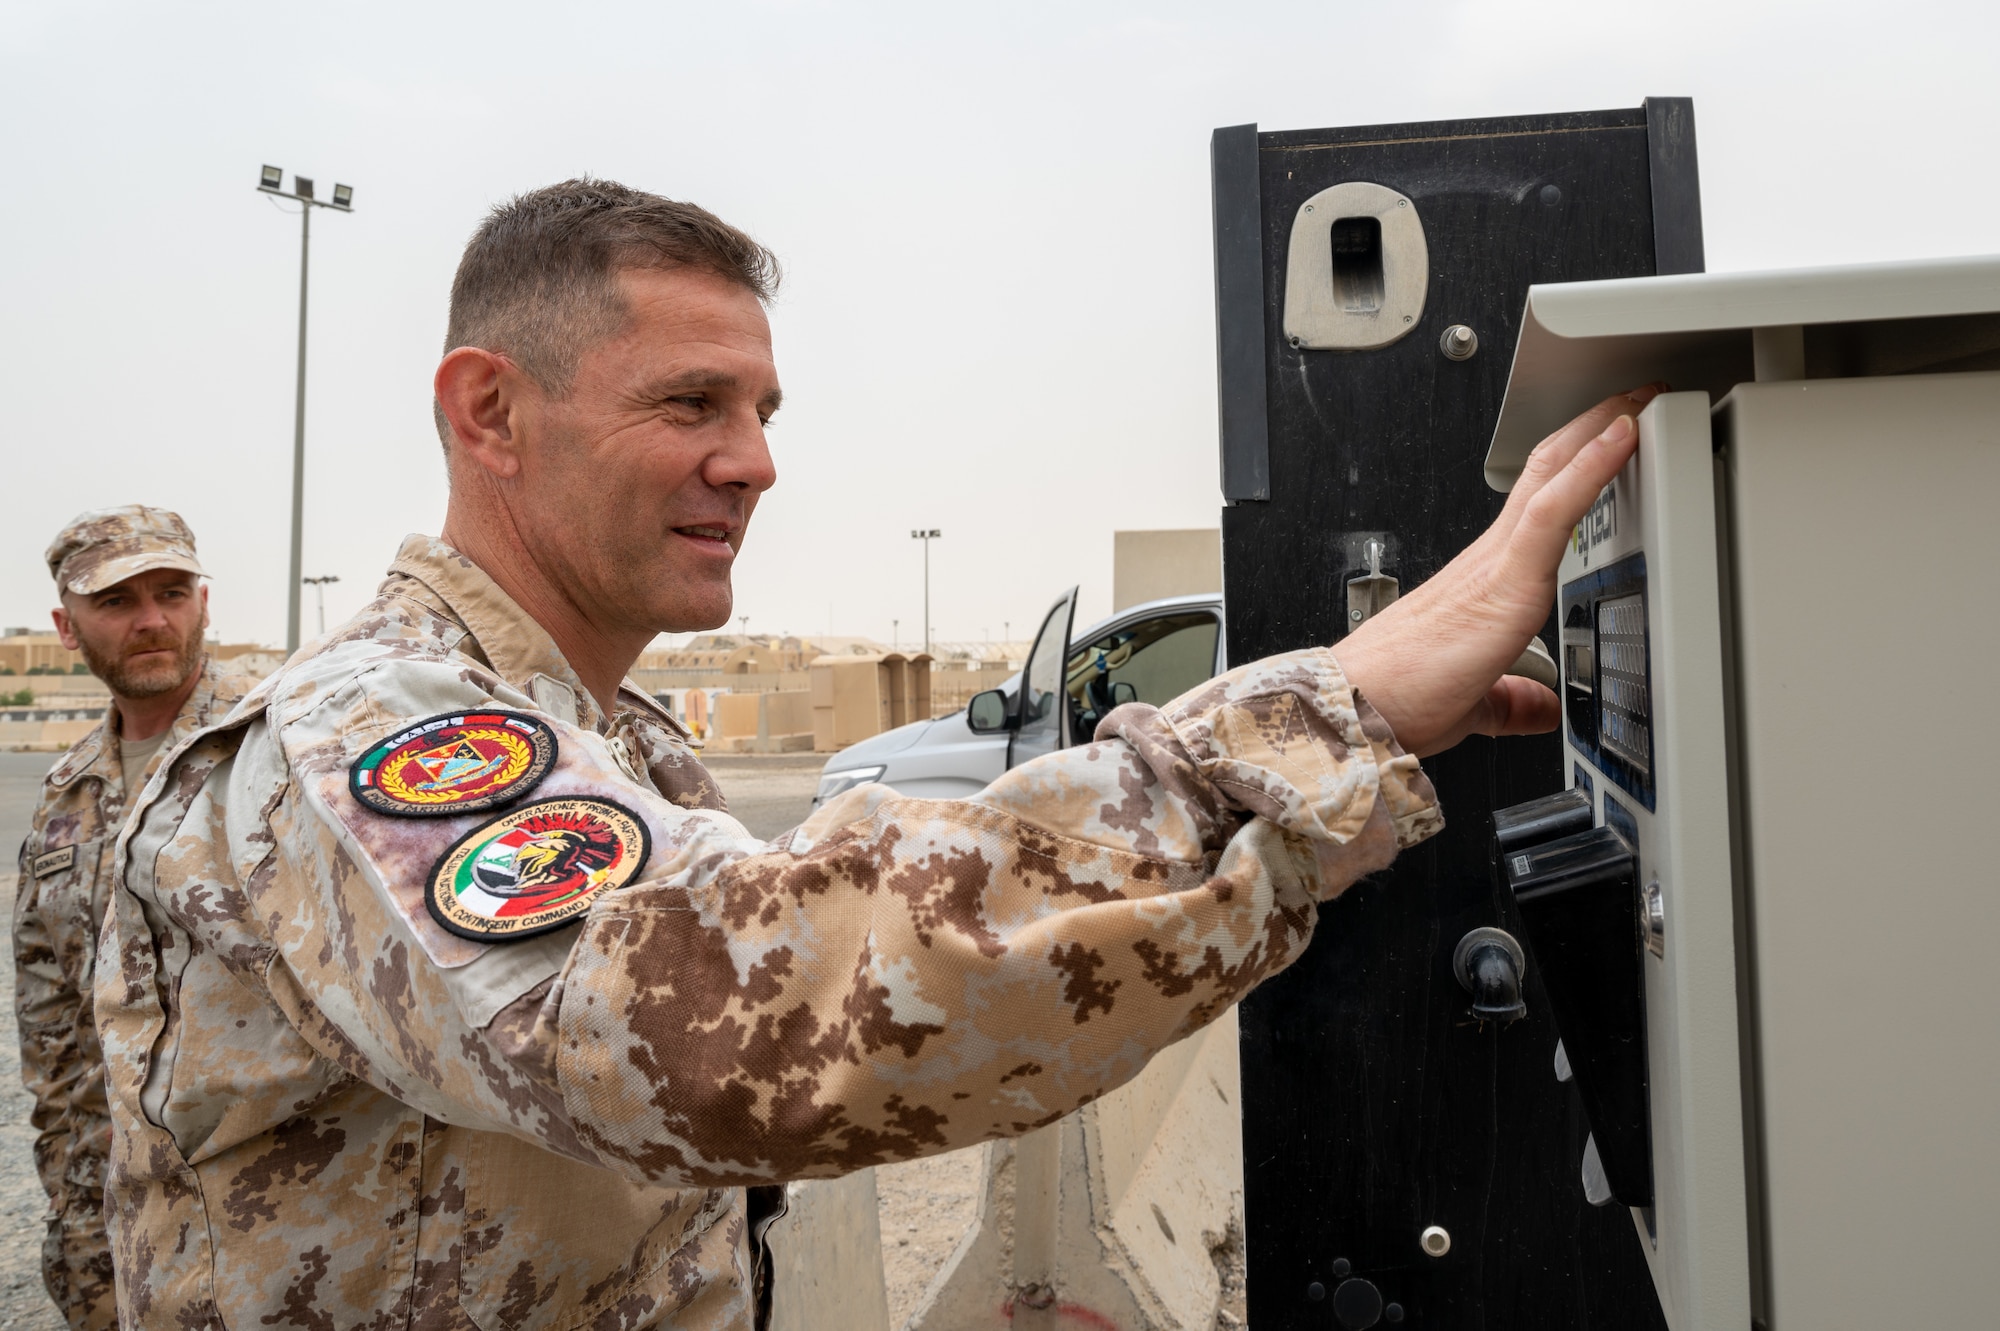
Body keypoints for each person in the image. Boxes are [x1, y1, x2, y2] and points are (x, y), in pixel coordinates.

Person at [99, 179, 1654, 1330]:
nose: (758, 459)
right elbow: (730, 1014)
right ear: (490, 412)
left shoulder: (609, 737)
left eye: (765, 405)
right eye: (692, 401)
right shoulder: (361, 732)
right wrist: (1327, 714)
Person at [13, 507, 250, 1331]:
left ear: (204, 602)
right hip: (115, 1233)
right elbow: (55, 1039)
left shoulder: (279, 751)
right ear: (65, 628)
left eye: (172, 592)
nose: (152, 619)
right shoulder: (66, 795)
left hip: (270, 1227)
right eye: (116, 602)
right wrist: (78, 1223)